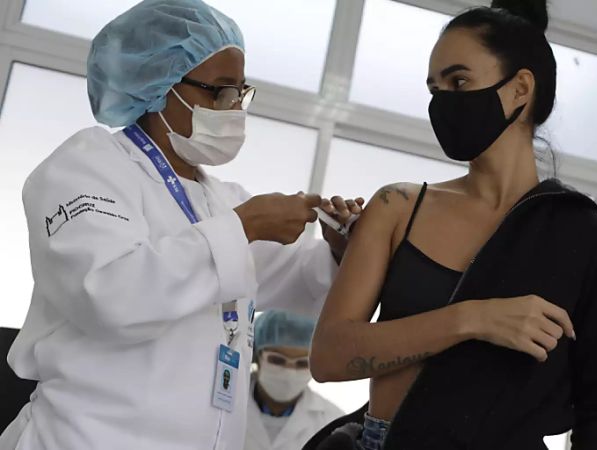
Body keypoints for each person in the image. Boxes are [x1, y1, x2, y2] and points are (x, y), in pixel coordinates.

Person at [0, 1, 362, 449]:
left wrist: (338, 250)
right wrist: (244, 227)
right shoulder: (87, 167)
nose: (234, 110)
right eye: (219, 92)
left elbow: (297, 279)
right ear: (159, 86)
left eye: (240, 93)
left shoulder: (220, 198)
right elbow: (112, 295)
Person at [307, 1, 597, 449]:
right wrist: (473, 318)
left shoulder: (584, 236)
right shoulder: (399, 206)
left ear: (520, 88)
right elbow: (329, 356)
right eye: (434, 88)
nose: (443, 102)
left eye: (459, 81)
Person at [244, 311, 343, 450]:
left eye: (302, 363)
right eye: (277, 359)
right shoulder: (223, 405)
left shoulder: (332, 422)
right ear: (255, 357)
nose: (289, 372)